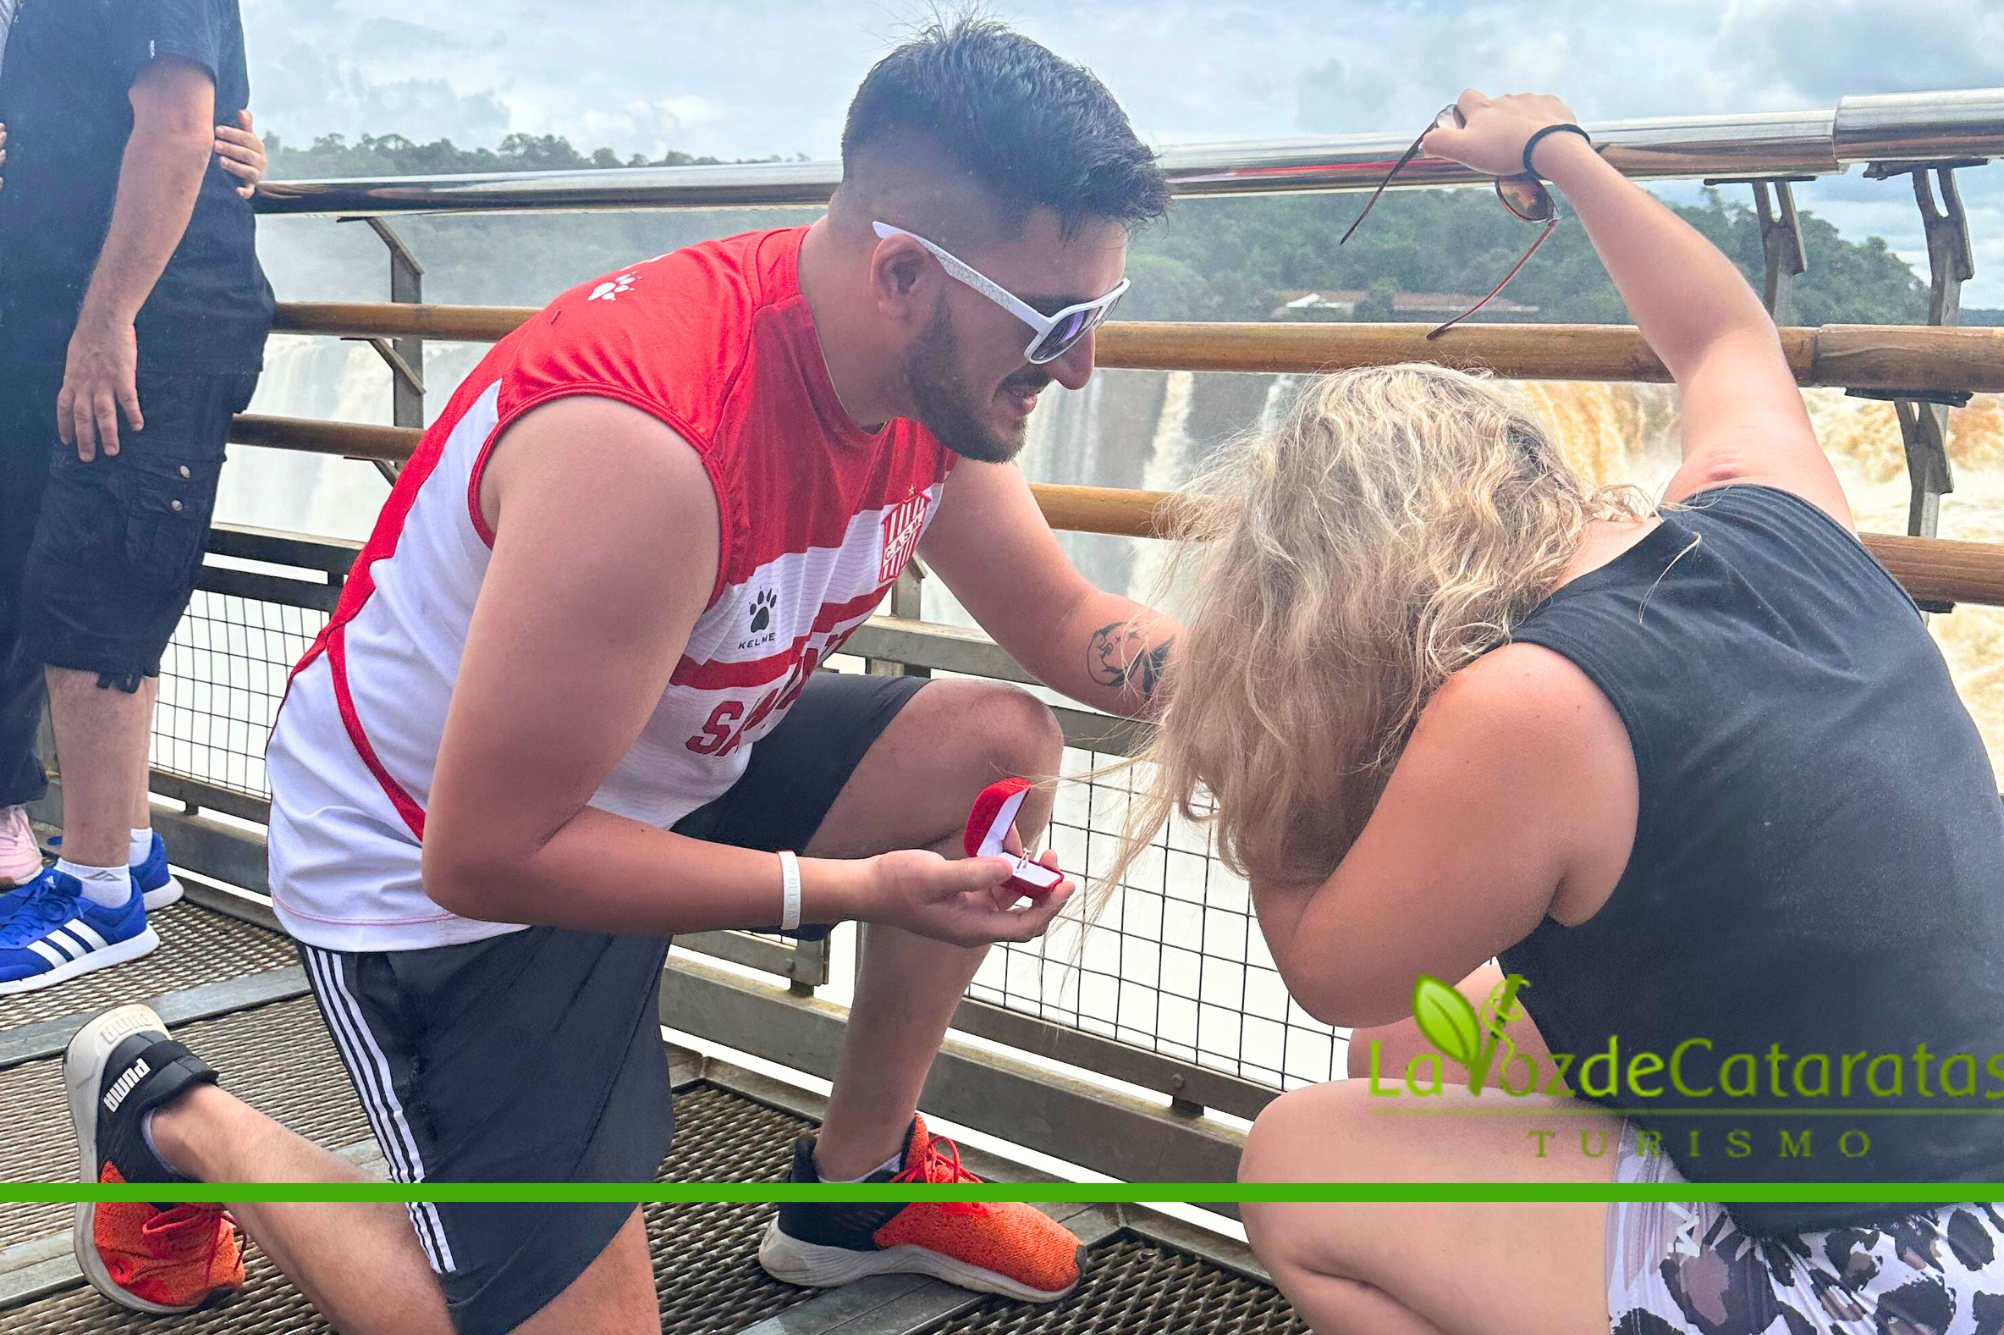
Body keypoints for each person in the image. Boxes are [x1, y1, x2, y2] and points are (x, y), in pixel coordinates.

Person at [59, 19, 1184, 1335]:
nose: (1080, 363)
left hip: (652, 764)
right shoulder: (651, 446)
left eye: (1097, 314)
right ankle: (164, 1105)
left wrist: (1335, 692)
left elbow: (1066, 628)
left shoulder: (929, 381)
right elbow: (485, 854)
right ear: (902, 275)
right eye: (1056, 321)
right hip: (433, 863)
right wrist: (850, 889)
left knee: (998, 742)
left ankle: (855, 1185)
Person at [1105, 92, 2004, 1335]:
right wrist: (1560, 156)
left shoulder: (1528, 705)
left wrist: (1250, 735)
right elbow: (1722, 339)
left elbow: (1327, 968)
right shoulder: (1766, 513)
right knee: (1404, 1057)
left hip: (1913, 1282)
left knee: (1298, 1162)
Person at [0, 0, 274, 992]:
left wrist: (109, 320)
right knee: (67, 571)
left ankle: (99, 893)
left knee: (96, 578)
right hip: (76, 316)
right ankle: (128, 846)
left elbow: (176, 127)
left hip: (146, 322)